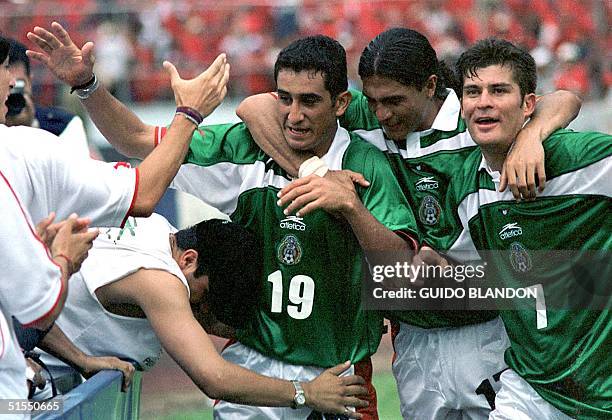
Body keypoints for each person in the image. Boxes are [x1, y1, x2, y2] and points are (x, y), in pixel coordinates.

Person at [29, 23, 418, 419]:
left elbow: (402, 270)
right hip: (255, 363)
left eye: (309, 102)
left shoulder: (365, 166)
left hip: (339, 370)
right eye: (284, 98)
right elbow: (137, 139)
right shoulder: (244, 148)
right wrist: (88, 85)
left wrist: (351, 207)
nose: (294, 115)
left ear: (340, 104)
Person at [235, 28, 582, 419]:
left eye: (394, 101)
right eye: (374, 101)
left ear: (430, 86)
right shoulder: (366, 116)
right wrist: (312, 172)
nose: (382, 114)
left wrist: (532, 133)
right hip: (413, 336)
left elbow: (563, 99)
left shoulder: (473, 121)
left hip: (488, 328)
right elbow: (255, 108)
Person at [0, 34, 228, 403]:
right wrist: (189, 114)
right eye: (5, 73)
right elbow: (36, 303)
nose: (12, 85)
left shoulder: (46, 137)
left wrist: (79, 358)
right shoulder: (26, 149)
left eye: (18, 75)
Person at [37, 213, 368, 414]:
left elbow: (212, 323)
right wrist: (305, 392)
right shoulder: (160, 282)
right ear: (190, 259)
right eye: (207, 296)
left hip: (42, 359)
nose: (203, 310)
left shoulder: (155, 227)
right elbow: (213, 377)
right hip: (27, 384)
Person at [445, 38, 610, 419]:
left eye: (499, 90)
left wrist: (535, 135)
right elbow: (465, 267)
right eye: (473, 92)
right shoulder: (468, 188)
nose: (483, 101)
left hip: (601, 391)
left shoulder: (581, 161)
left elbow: (565, 99)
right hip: (529, 389)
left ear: (528, 105)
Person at [4, 37, 90, 158]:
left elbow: (73, 172)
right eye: (5, 85)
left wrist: (30, 129)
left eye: (18, 85)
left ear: (29, 81)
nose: (10, 93)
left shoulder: (63, 124)